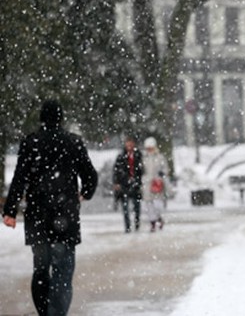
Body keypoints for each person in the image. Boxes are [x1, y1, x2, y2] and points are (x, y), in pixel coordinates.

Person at [2, 100, 98, 316]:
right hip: (65, 214)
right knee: (63, 271)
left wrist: (10, 210)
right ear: (60, 118)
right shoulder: (73, 142)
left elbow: (19, 178)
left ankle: (45, 312)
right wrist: (84, 193)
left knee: (41, 270)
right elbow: (90, 176)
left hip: (38, 215)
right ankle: (57, 313)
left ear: (42, 119)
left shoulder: (30, 143)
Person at [113, 136, 143, 233]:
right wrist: (116, 182)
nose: (129, 145)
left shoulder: (139, 155)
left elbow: (141, 170)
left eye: (131, 143)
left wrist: (137, 179)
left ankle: (137, 225)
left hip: (136, 184)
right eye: (127, 143)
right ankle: (127, 227)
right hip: (124, 185)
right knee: (125, 207)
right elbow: (116, 171)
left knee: (137, 207)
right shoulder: (121, 156)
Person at [142, 137, 169, 232]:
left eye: (151, 147)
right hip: (146, 184)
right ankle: (153, 223)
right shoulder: (143, 158)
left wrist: (162, 174)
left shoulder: (160, 157)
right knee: (149, 205)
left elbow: (165, 169)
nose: (149, 150)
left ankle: (159, 218)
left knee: (157, 204)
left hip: (157, 183)